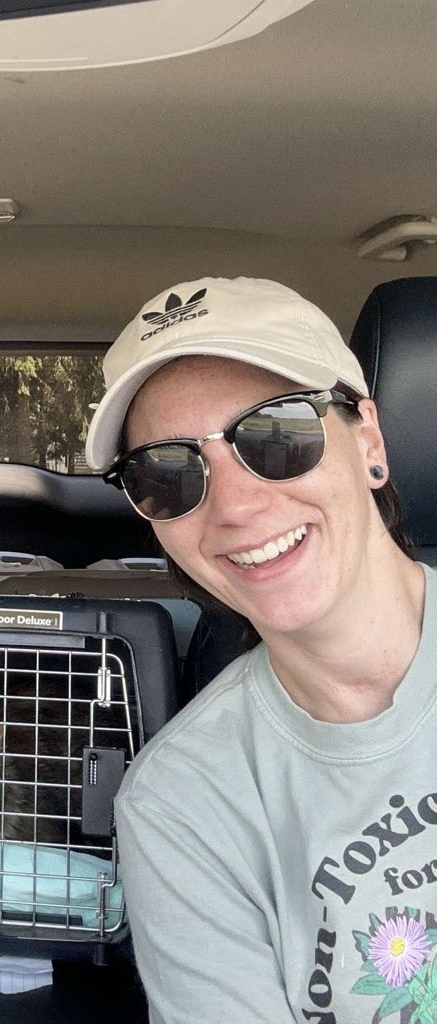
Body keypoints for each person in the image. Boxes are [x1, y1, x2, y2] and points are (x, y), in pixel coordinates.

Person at [85, 276, 431, 1024]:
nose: (236, 506)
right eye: (167, 473)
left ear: (368, 439)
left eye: (278, 435)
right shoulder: (180, 806)